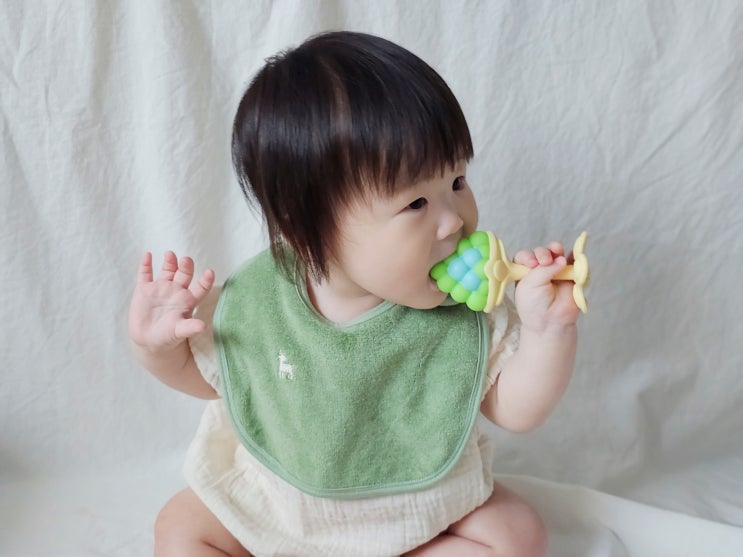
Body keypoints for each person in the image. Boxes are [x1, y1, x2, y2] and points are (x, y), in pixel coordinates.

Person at [128, 31, 580, 557]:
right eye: (415, 204)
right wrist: (155, 347)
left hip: (416, 509)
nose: (453, 221)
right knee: (179, 526)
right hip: (278, 503)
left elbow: (515, 411)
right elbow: (215, 379)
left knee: (518, 535)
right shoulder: (260, 304)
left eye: (457, 181)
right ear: (305, 228)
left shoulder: (466, 307)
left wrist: (549, 330)